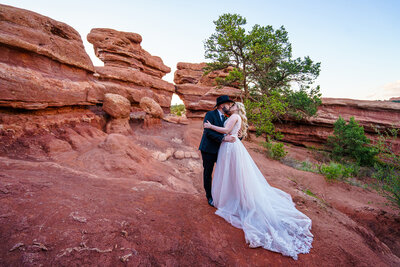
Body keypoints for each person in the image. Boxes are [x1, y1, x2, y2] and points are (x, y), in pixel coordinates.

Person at [203, 102, 313, 260]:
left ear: (237, 108)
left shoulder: (234, 116)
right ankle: (234, 196)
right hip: (229, 146)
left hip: (231, 148)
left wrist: (210, 126)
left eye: (233, 104)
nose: (231, 106)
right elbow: (231, 133)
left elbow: (227, 131)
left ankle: (235, 199)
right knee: (233, 174)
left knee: (233, 174)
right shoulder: (234, 116)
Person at [199, 95, 236, 207]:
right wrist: (224, 138)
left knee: (222, 172)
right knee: (208, 173)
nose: (229, 106)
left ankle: (221, 195)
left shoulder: (226, 118)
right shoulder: (210, 114)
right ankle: (209, 196)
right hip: (208, 149)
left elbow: (229, 131)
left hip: (221, 150)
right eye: (228, 104)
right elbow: (208, 132)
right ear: (221, 105)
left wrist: (238, 136)